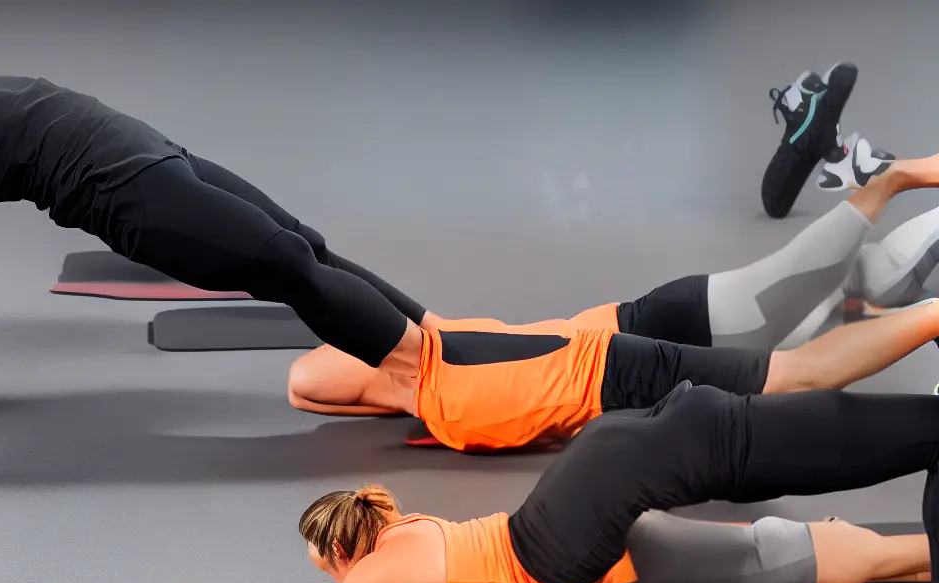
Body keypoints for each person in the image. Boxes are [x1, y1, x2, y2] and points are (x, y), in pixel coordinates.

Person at [144, 381, 939, 583]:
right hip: (592, 541)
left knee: (705, 438)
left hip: (562, 543)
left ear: (346, 551)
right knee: (772, 563)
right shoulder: (400, 525)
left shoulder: (379, 572)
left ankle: (918, 424)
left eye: (328, 567)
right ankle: (858, 553)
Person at [287, 152, 939, 451]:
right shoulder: (438, 374)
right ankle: (890, 196)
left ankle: (890, 178)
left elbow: (307, 379)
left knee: (811, 337)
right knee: (859, 292)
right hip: (646, 341)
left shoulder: (434, 364)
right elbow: (307, 389)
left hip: (653, 338)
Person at [0, 76, 429, 373]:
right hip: (102, 138)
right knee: (297, 253)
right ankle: (435, 361)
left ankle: (436, 356)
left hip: (108, 169)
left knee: (295, 256)